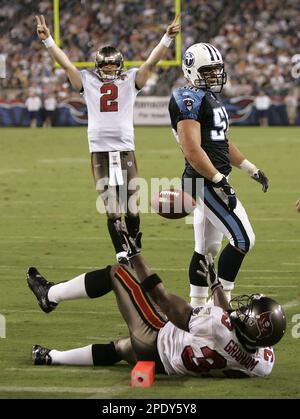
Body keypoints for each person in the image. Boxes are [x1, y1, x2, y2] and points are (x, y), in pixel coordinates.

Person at [27, 227, 286, 378]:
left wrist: (137, 256)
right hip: (166, 365)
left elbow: (162, 299)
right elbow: (229, 324)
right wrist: (216, 284)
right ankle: (51, 357)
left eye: (247, 310)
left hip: (155, 337)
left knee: (118, 273)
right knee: (118, 349)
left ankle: (50, 296)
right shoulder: (263, 363)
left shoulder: (216, 324)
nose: (242, 309)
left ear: (253, 326)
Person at [35, 14, 180, 264]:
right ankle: (122, 255)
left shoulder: (130, 80)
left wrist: (167, 37)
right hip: (100, 152)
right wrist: (48, 41)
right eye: (106, 67)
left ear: (120, 66)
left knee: (132, 207)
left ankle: (134, 247)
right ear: (98, 67)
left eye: (114, 67)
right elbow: (67, 65)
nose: (110, 71)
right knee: (112, 210)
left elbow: (151, 62)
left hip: (125, 150)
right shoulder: (88, 81)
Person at [168, 43, 269, 305]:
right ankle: (221, 305)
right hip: (203, 180)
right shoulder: (186, 98)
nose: (214, 75)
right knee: (244, 238)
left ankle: (197, 307)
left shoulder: (208, 97)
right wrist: (218, 179)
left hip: (210, 177)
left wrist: (251, 169)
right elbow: (191, 148)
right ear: (190, 69)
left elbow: (221, 143)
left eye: (216, 70)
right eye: (207, 70)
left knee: (206, 250)